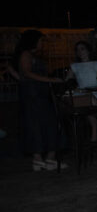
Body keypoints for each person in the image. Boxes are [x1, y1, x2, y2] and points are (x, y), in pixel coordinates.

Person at [14, 30, 65, 170]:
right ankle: (39, 158)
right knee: (36, 124)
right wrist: (52, 80)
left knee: (46, 124)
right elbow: (27, 73)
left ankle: (48, 158)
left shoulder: (32, 55)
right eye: (41, 41)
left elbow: (22, 76)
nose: (42, 44)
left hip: (38, 94)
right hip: (33, 96)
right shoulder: (26, 54)